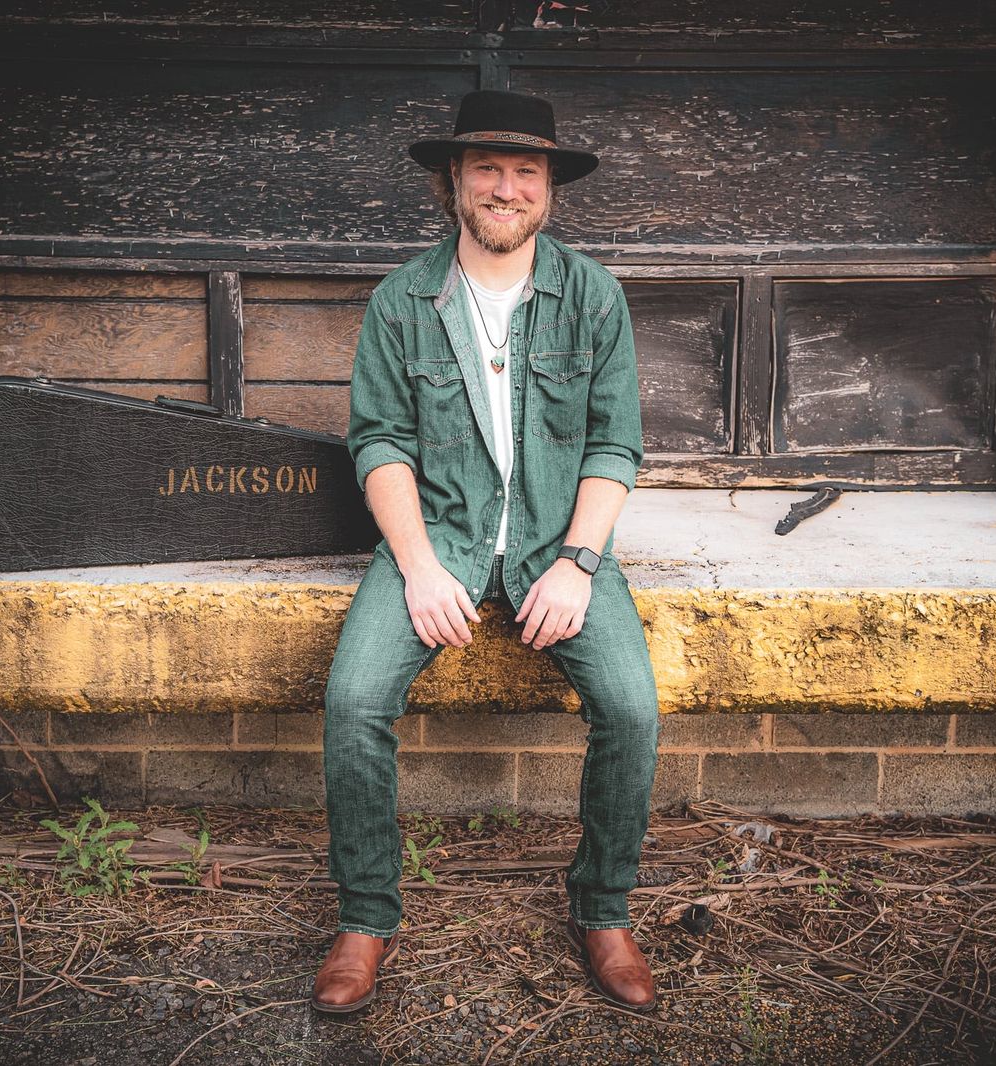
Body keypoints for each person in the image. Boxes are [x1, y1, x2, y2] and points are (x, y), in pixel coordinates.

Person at [312, 89, 660, 1015]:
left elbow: (614, 446)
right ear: (455, 182)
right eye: (488, 169)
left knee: (632, 710)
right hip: (439, 541)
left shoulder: (592, 296)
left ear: (549, 187)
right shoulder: (403, 299)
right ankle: (365, 917)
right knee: (353, 702)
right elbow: (379, 443)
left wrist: (578, 564)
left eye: (526, 171)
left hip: (560, 544)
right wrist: (420, 567)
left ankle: (603, 909)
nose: (507, 188)